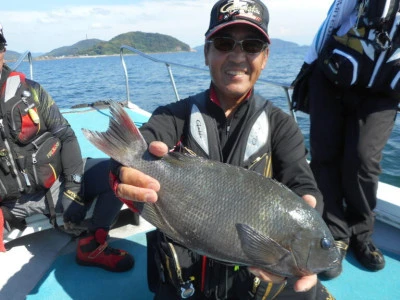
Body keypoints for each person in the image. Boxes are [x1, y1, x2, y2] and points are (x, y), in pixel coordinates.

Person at [110, 0, 334, 298]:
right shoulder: (172, 116)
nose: (238, 56)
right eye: (224, 43)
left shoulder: (281, 126)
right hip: (184, 280)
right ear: (206, 53)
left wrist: (311, 202)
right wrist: (122, 172)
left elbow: (302, 183)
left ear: (265, 58)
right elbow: (141, 150)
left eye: (252, 45)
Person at [0, 24, 134, 273]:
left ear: (3, 50)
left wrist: (73, 188)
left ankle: (92, 245)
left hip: (56, 182)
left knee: (120, 170)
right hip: (8, 204)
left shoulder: (33, 92)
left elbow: (66, 136)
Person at [292, 0, 400, 279]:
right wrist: (308, 66)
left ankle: (362, 233)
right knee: (324, 155)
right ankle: (335, 233)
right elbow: (336, 15)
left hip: (384, 89)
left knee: (364, 159)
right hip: (333, 73)